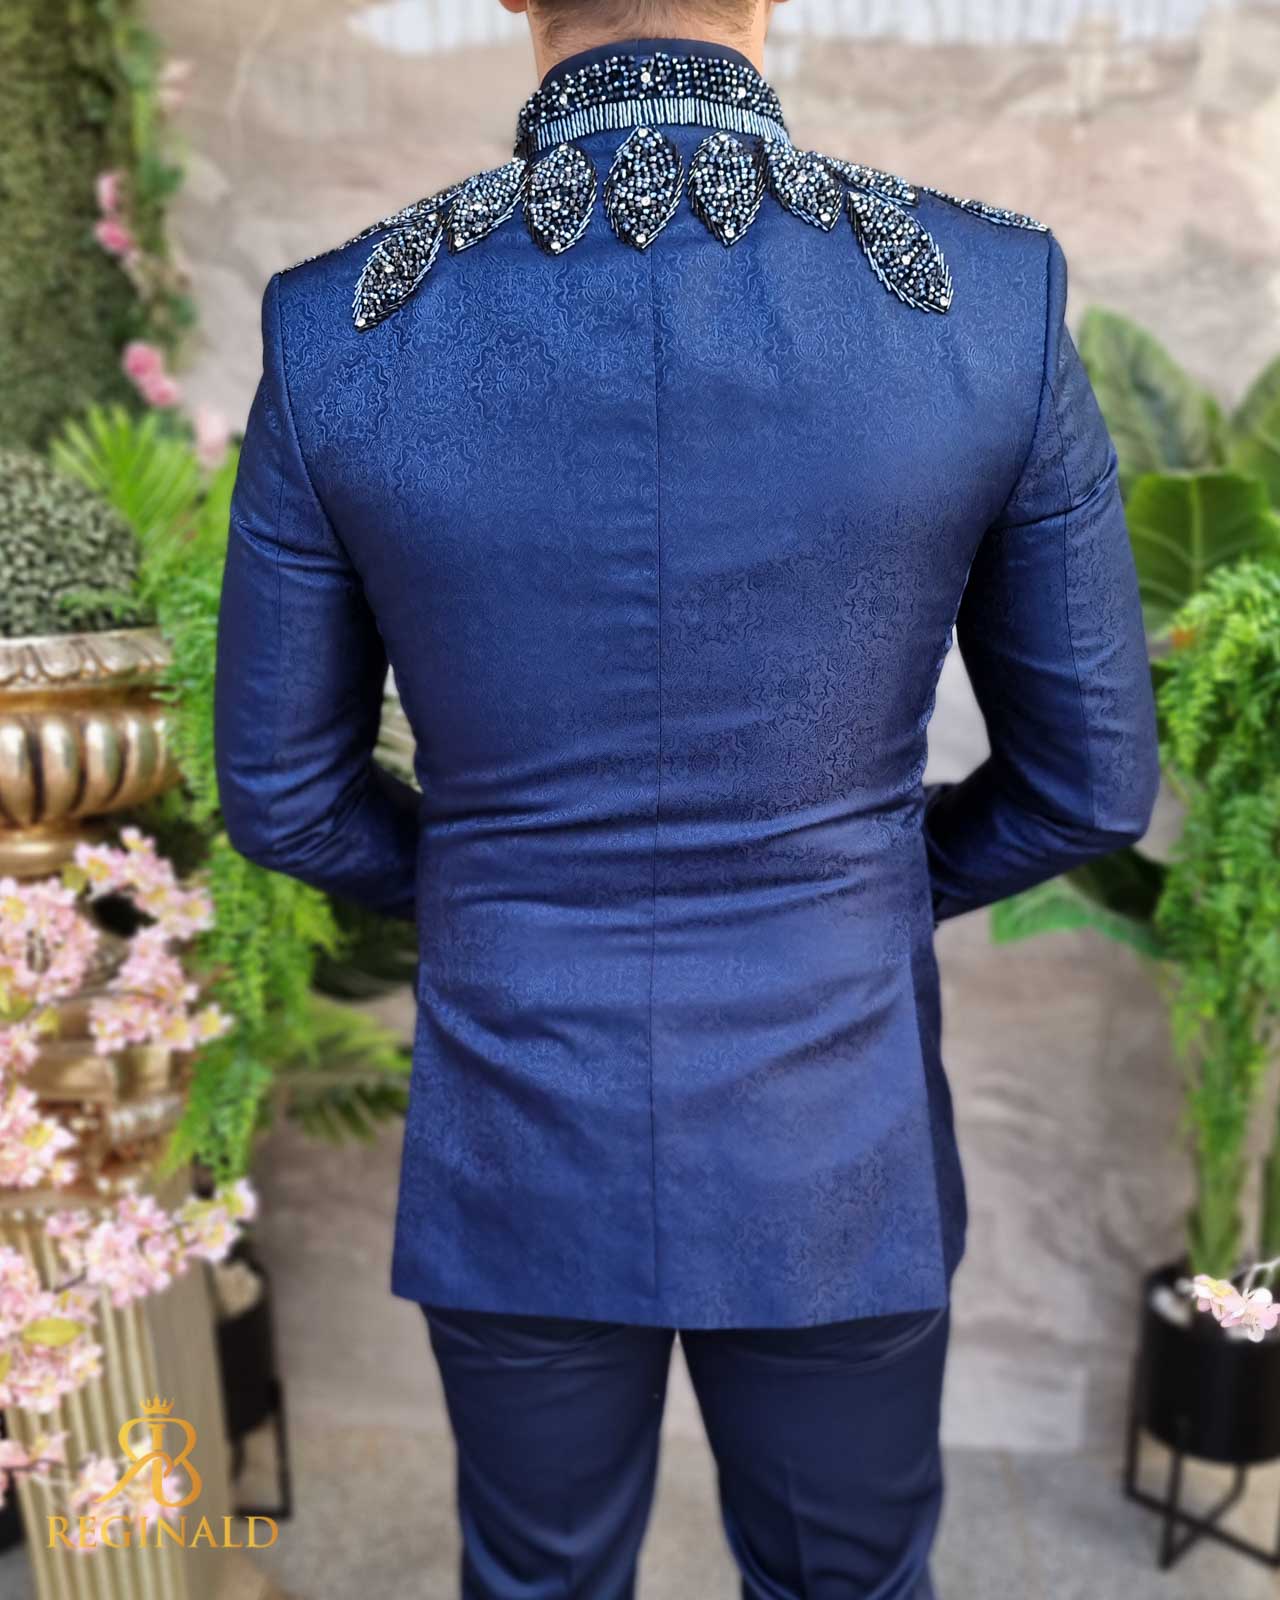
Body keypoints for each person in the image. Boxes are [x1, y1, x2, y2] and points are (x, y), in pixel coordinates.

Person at [213, 1, 1160, 1594]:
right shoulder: (988, 300)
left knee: (540, 1580)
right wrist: (862, 888)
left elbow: (285, 798)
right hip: (832, 1124)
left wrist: (500, 894)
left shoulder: (339, 329)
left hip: (521, 1107)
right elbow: (1092, 784)